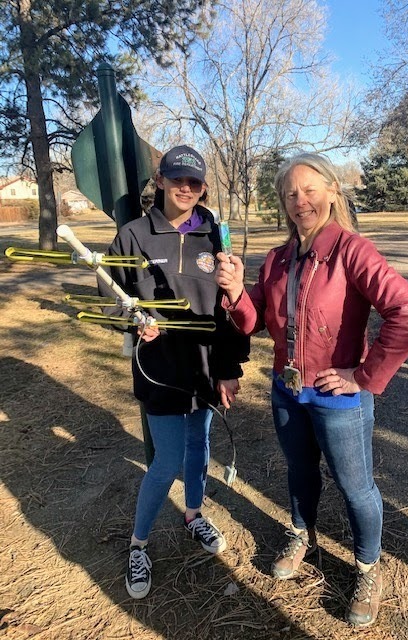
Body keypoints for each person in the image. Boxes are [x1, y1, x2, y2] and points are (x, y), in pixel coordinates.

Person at [215, 153, 408, 628]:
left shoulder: (353, 251)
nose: (300, 201)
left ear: (333, 191)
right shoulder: (277, 259)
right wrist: (233, 293)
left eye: (310, 190)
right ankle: (301, 534)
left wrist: (362, 375)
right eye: (290, 193)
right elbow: (255, 323)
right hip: (287, 390)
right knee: (298, 469)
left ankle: (368, 569)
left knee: (356, 488)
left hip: (339, 398)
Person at [99, 145, 249, 600]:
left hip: (205, 369)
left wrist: (228, 369)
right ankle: (139, 544)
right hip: (160, 370)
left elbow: (229, 311)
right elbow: (109, 292)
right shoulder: (134, 235)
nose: (186, 188)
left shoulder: (215, 236)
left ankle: (193, 513)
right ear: (160, 180)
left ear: (203, 187)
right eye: (177, 179)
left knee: (200, 448)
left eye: (195, 182)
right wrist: (132, 319)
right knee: (165, 461)